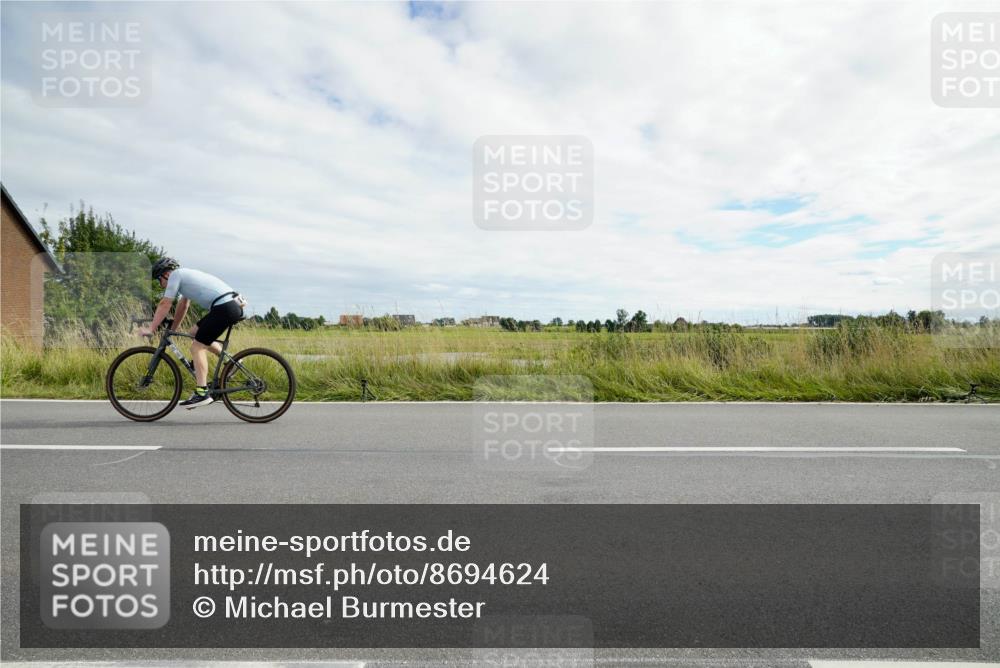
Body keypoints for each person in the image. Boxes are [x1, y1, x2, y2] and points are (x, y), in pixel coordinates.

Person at [141, 258, 244, 408]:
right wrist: (173, 330)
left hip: (224, 307)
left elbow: (165, 303)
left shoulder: (176, 276)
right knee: (194, 332)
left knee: (197, 347)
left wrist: (151, 329)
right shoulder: (184, 277)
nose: (160, 284)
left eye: (159, 280)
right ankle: (232, 363)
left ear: (166, 274)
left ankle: (202, 393)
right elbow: (183, 305)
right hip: (229, 305)